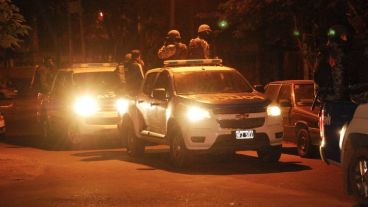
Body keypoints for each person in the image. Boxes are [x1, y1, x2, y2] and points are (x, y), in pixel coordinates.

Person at [315, 25, 358, 163]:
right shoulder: (338, 52)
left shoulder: (326, 52)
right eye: (345, 36)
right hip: (340, 102)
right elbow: (338, 78)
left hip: (332, 101)